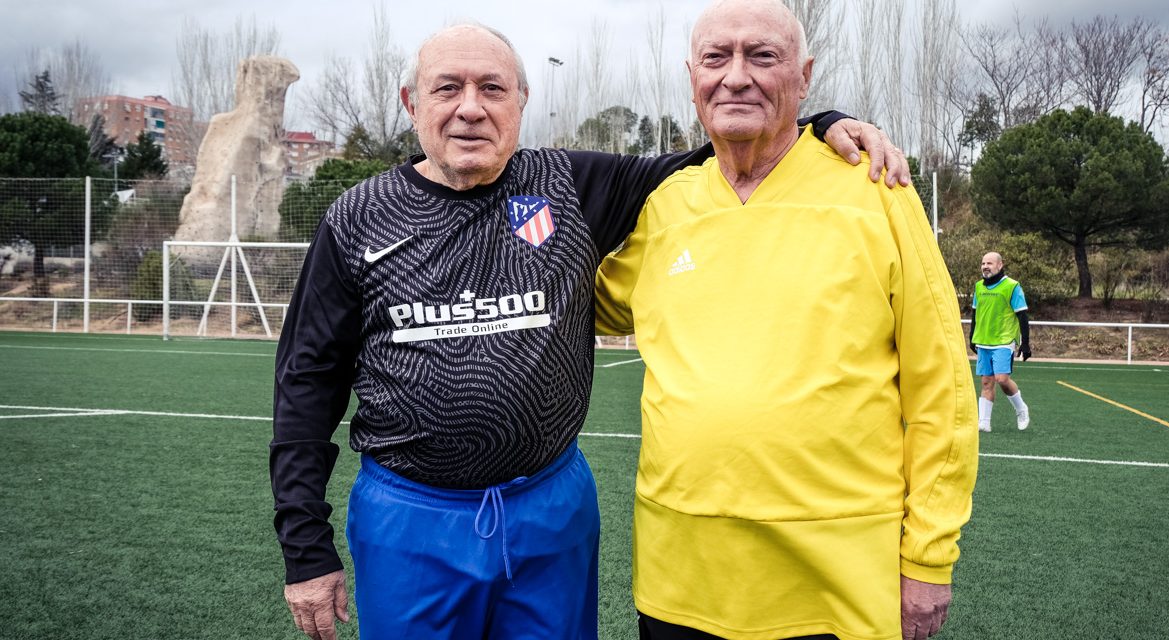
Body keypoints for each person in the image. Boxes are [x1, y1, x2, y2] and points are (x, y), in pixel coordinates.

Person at [270, 21, 912, 640]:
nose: (471, 108)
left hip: (551, 511)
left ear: (522, 101)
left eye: (493, 89)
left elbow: (722, 146)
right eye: (448, 88)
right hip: (410, 517)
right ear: (412, 103)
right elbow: (306, 383)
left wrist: (820, 124)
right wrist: (305, 550)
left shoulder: (568, 183)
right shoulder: (358, 217)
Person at [593, 1, 979, 638]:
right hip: (678, 580)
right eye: (716, 58)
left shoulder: (877, 189)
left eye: (762, 56)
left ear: (804, 76)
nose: (736, 76)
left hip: (837, 584)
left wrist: (929, 558)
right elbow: (572, 303)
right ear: (692, 77)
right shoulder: (664, 205)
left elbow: (942, 389)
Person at [968, 251, 1032, 432]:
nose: (985, 267)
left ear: (1000, 265)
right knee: (986, 382)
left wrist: (1025, 343)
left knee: (1002, 379)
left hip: (1004, 340)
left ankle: (1021, 409)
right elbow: (975, 313)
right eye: (983, 263)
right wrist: (972, 336)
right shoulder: (979, 286)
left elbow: (1022, 315)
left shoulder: (1012, 286)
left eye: (989, 263)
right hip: (983, 341)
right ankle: (984, 423)